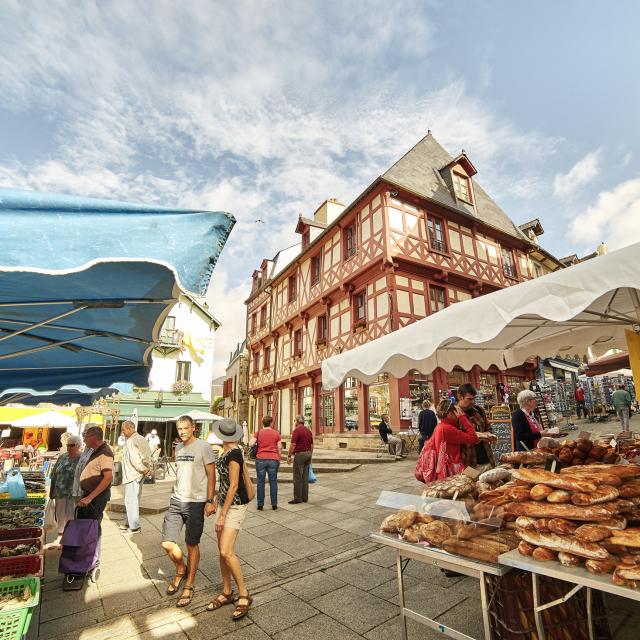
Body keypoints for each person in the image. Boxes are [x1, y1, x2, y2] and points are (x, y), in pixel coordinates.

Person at [161, 415, 217, 608]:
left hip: (196, 502)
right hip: (177, 500)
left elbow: (211, 475)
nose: (182, 432)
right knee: (168, 543)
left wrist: (210, 500)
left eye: (185, 428)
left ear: (194, 428)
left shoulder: (204, 447)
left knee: (191, 544)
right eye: (179, 429)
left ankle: (190, 584)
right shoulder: (178, 447)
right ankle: (180, 568)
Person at [206, 419, 252, 620]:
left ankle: (244, 593)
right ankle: (226, 591)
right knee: (222, 551)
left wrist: (223, 515)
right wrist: (216, 500)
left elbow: (234, 485)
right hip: (224, 503)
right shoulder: (224, 452)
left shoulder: (234, 454)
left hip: (235, 506)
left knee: (226, 550)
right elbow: (224, 483)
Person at [77, 427, 114, 534]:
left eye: (86, 437)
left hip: (96, 498)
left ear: (93, 437)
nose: (84, 440)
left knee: (92, 528)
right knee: (86, 526)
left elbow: (108, 478)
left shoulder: (105, 452)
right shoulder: (95, 450)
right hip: (90, 495)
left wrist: (90, 497)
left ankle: (91, 550)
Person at [48, 434, 82, 548]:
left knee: (71, 514)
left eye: (72, 445)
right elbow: (54, 474)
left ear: (78, 446)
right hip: (60, 490)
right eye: (68, 445)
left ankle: (70, 536)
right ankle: (60, 535)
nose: (69, 447)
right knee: (60, 513)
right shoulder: (62, 457)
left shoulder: (82, 459)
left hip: (74, 492)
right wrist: (51, 490)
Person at [119, 420, 152, 535]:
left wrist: (144, 469)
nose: (122, 432)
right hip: (138, 473)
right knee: (133, 500)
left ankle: (134, 527)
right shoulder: (141, 438)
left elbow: (134, 459)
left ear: (129, 428)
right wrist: (146, 469)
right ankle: (129, 523)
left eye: (123, 430)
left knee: (130, 500)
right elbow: (147, 455)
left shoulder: (132, 440)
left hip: (133, 474)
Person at [430, 398, 480, 471]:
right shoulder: (448, 429)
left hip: (443, 468)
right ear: (450, 414)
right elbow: (474, 438)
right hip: (451, 469)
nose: (458, 416)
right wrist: (463, 418)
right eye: (457, 413)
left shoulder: (440, 426)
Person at [457, 383, 496, 472]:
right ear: (460, 397)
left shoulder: (479, 410)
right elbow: (455, 439)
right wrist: (477, 436)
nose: (473, 402)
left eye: (474, 398)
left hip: (487, 459)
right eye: (469, 399)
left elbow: (488, 428)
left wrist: (488, 435)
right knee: (472, 485)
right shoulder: (454, 415)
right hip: (468, 463)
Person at [249, 415, 281, 511]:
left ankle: (260, 504)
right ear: (271, 423)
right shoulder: (276, 433)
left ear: (262, 423)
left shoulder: (258, 433)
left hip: (261, 459)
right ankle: (274, 504)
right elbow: (279, 447)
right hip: (273, 459)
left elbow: (250, 444)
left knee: (260, 482)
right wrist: (278, 458)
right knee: (273, 482)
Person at [287, 416, 313, 504]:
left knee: (297, 477)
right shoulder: (308, 431)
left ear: (297, 421)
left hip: (300, 454)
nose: (294, 422)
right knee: (305, 477)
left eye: (295, 421)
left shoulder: (296, 430)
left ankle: (298, 498)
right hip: (308, 453)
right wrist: (310, 455)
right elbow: (312, 445)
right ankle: (305, 497)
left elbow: (293, 444)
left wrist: (289, 456)